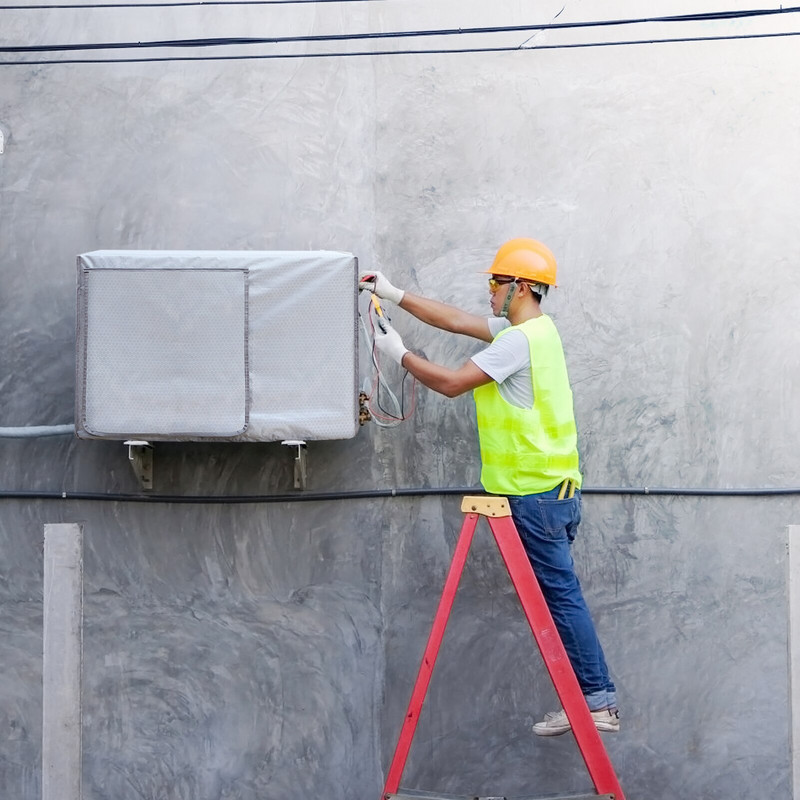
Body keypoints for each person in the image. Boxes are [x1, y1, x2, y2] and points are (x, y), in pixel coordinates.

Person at [359, 238, 619, 736]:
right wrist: (395, 294)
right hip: (554, 492)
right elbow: (455, 320)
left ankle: (596, 700)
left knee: (561, 600)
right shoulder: (535, 331)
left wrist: (400, 354)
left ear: (520, 287)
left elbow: (455, 383)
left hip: (535, 496)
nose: (489, 291)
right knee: (558, 599)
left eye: (496, 282)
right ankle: (591, 698)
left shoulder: (517, 342)